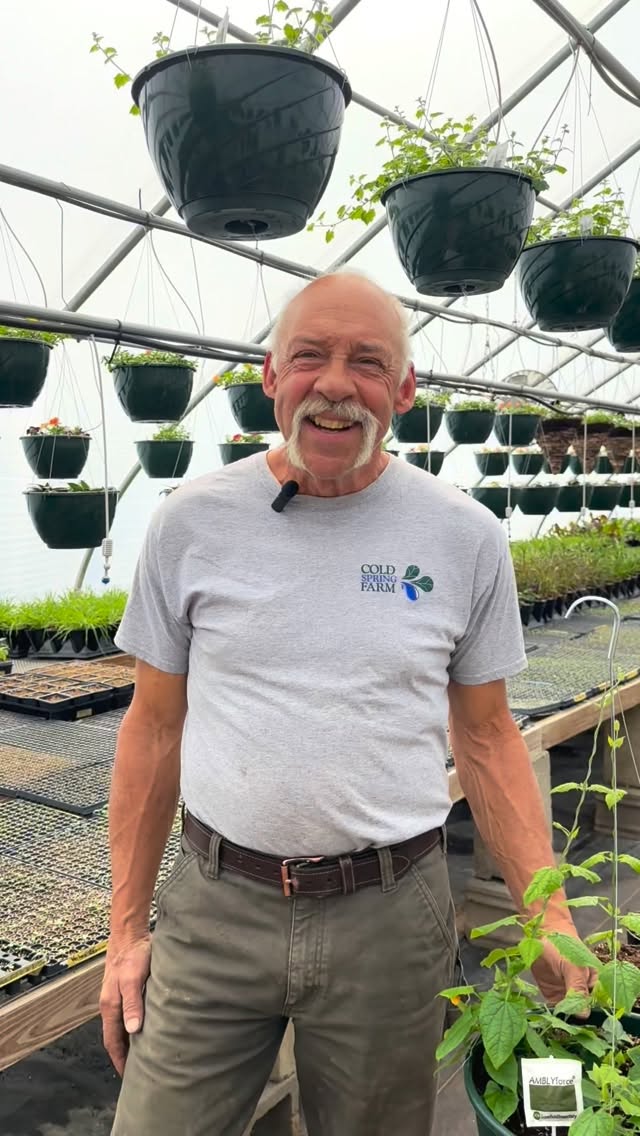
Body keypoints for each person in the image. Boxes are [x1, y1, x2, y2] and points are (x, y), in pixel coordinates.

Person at [102, 271, 594, 1136]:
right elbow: (152, 728)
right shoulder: (192, 522)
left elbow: (485, 736)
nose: (335, 383)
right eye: (310, 357)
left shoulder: (462, 536)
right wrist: (125, 930)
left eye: (368, 362)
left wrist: (547, 912)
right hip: (216, 908)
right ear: (270, 375)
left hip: (389, 913)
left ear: (404, 390)